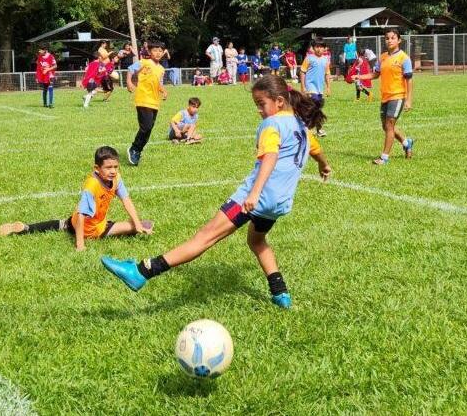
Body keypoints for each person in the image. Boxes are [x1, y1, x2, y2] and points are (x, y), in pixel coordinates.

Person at [99, 75, 332, 309]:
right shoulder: (300, 126)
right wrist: (324, 164)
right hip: (279, 203)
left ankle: (141, 271)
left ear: (279, 101)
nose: (259, 111)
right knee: (257, 241)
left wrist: (254, 194)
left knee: (204, 237)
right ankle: (281, 293)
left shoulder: (271, 126)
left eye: (262, 104)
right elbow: (315, 149)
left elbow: (270, 158)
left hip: (254, 198)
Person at [0, 146, 153, 250]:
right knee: (138, 226)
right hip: (88, 229)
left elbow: (126, 200)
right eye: (108, 167)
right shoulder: (91, 186)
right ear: (97, 169)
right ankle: (30, 228)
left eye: (115, 167)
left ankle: (27, 228)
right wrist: (80, 245)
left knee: (62, 224)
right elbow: (83, 216)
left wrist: (138, 223)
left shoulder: (116, 178)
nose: (113, 171)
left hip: (92, 223)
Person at [355, 29, 415, 165]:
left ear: (399, 40)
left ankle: (384, 158)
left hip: (398, 96)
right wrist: (360, 76)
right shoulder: (382, 57)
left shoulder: (404, 58)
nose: (389, 40)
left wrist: (409, 100)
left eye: (393, 38)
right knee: (386, 126)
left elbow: (409, 80)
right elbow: (375, 74)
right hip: (385, 96)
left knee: (389, 125)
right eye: (387, 38)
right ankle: (407, 143)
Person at [125, 40, 168, 166]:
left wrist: (164, 91)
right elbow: (130, 69)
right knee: (146, 127)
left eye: (160, 51)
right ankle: (134, 148)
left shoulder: (161, 69)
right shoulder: (144, 62)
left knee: (148, 130)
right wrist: (129, 82)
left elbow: (159, 83)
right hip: (143, 99)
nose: (158, 53)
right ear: (149, 51)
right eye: (155, 50)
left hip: (155, 102)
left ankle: (137, 151)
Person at [299, 40, 331, 137]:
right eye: (316, 47)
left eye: (321, 47)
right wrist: (303, 87)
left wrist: (328, 87)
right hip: (310, 87)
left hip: (319, 89)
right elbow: (302, 72)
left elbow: (327, 74)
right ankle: (309, 128)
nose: (319, 49)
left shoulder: (325, 60)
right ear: (313, 48)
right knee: (314, 105)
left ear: (324, 48)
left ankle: (316, 128)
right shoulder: (309, 58)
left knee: (316, 108)